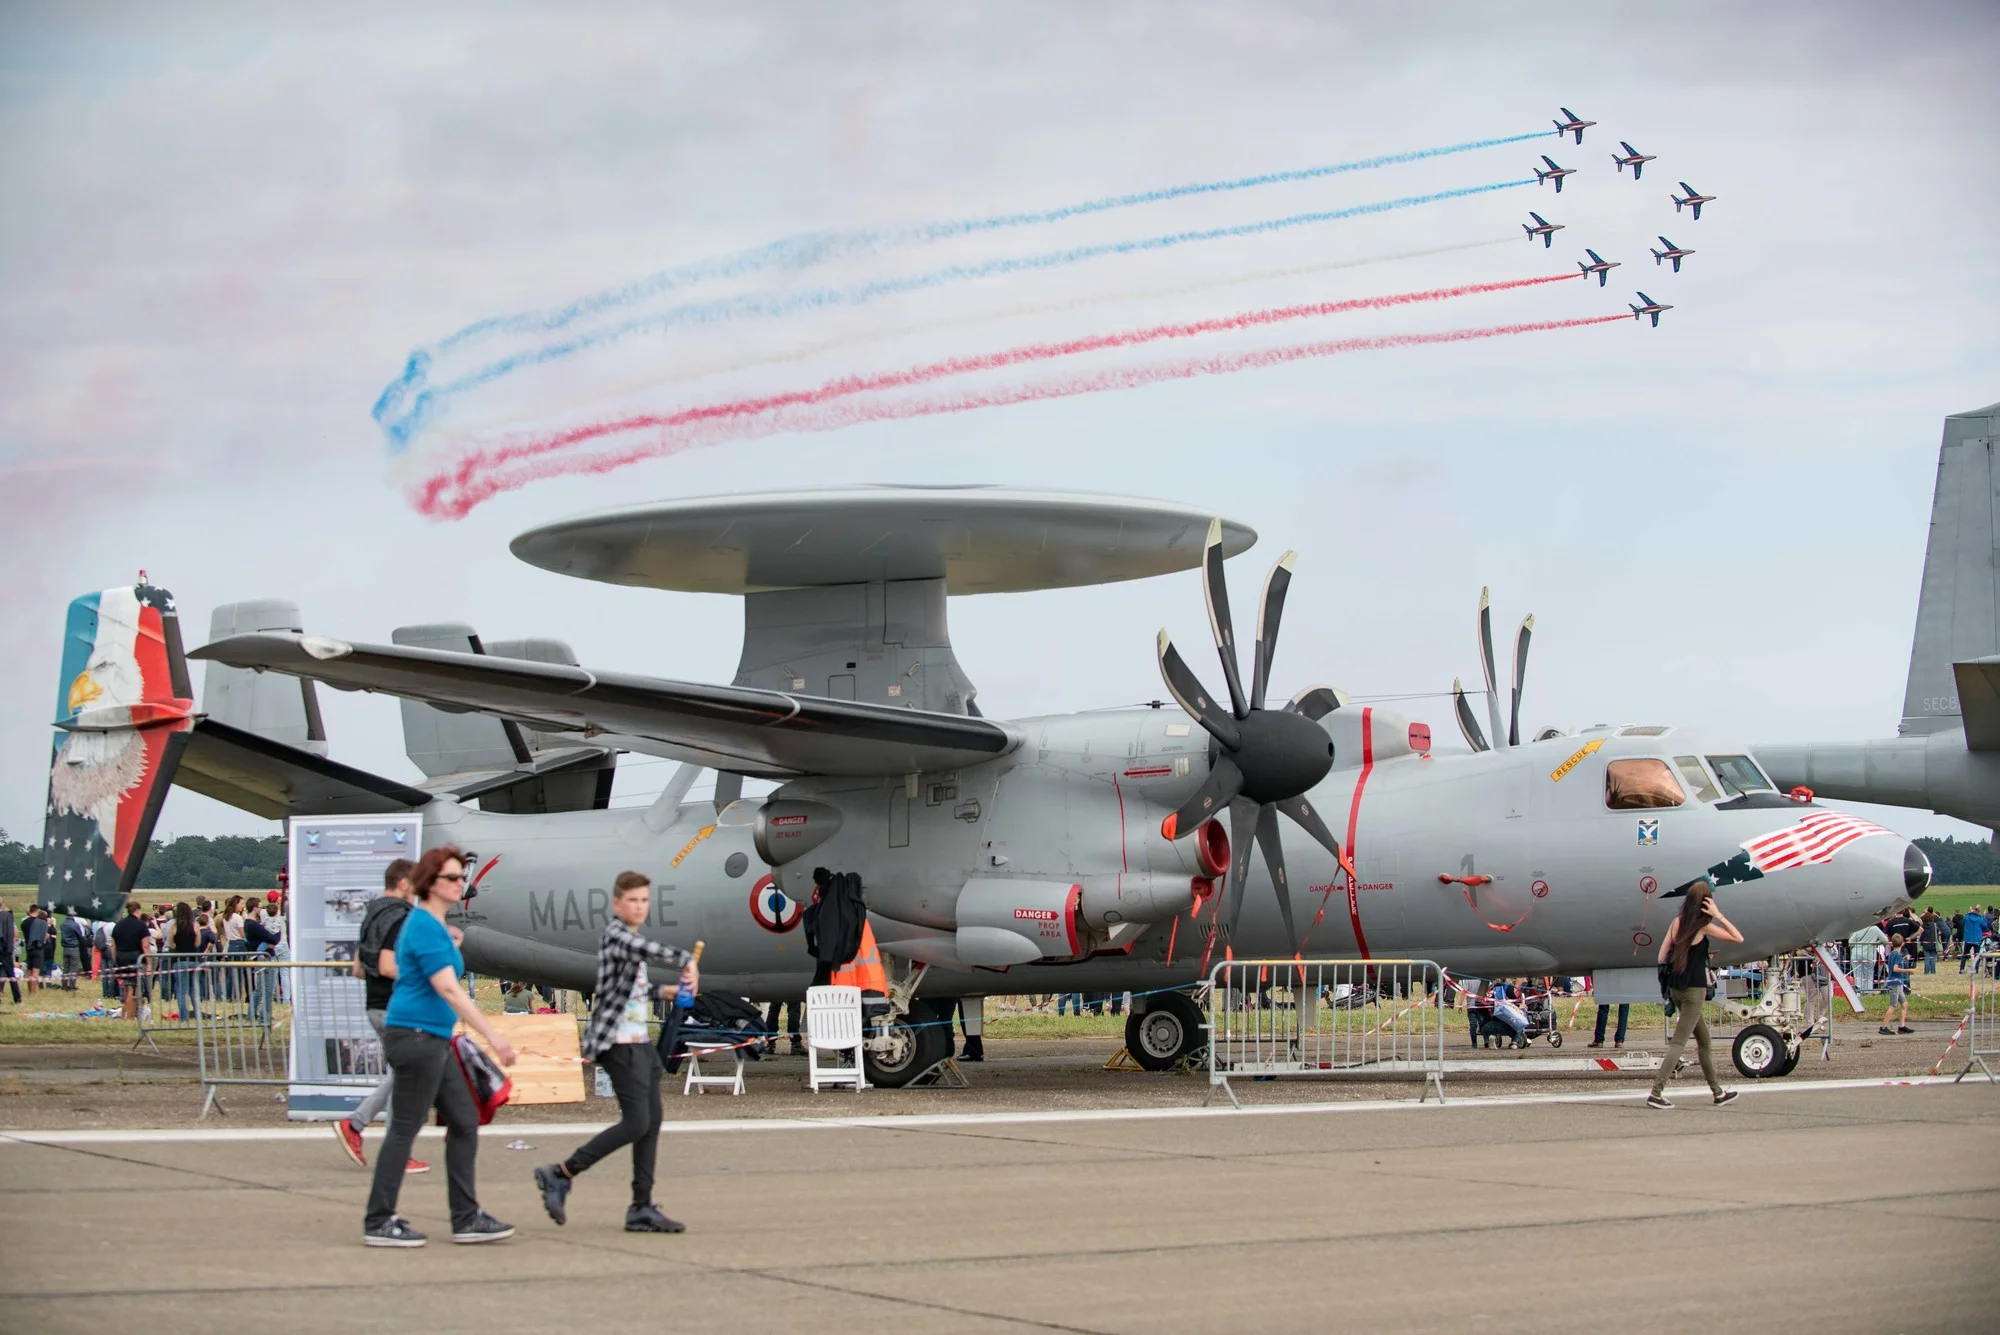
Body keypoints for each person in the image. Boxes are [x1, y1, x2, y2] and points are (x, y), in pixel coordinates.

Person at [363, 846, 516, 1248]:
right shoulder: (423, 925)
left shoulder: (432, 925)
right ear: (430, 883)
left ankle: (466, 1218)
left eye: (461, 877)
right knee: (405, 1127)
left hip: (432, 1036)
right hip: (415, 1034)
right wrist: (493, 1035)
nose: (459, 883)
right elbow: (447, 987)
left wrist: (452, 940)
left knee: (464, 1119)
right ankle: (379, 1220)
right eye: (451, 877)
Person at [535, 870, 696, 1235]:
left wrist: (665, 993)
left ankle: (641, 1206)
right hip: (617, 1044)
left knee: (651, 1122)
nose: (639, 907)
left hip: (638, 1041)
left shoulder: (629, 941)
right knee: (637, 1121)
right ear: (617, 904)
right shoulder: (618, 936)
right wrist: (686, 960)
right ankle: (560, 1173)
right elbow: (649, 951)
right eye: (632, 901)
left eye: (644, 901)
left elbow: (624, 991)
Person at [334, 859, 429, 1178]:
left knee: (404, 1074)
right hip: (396, 1007)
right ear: (403, 883)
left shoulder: (371, 914)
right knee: (410, 1075)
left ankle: (365, 1130)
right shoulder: (400, 918)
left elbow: (359, 969)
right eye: (416, 884)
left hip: (376, 1005)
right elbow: (388, 967)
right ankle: (363, 1129)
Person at [1647, 880, 1742, 1110]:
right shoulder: (1703, 926)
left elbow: (1662, 956)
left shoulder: (1676, 923)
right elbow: (1737, 938)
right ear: (1705, 904)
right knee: (1679, 1043)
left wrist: (1666, 988)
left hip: (1677, 989)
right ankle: (1656, 1092)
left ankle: (1717, 1092)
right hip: (1694, 991)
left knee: (1704, 1041)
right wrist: (1719, 915)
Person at [109, 900, 150, 1004]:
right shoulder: (141, 925)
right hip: (136, 958)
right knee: (135, 988)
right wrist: (149, 962)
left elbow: (113, 946)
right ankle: (130, 1016)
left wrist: (115, 960)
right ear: (137, 910)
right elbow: (145, 945)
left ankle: (125, 1013)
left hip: (121, 958)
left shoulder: (118, 925)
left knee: (127, 987)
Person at [1878, 936, 1915, 1035]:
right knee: (1893, 1005)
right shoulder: (1898, 955)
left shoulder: (1892, 954)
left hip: (1896, 982)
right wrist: (1908, 970)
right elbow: (1895, 969)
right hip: (1895, 983)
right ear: (1902, 944)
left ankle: (1902, 1026)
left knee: (1904, 1003)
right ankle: (1884, 1027)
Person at [1848, 919, 1888, 992]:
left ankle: (1858, 992)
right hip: (1869, 955)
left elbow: (1850, 942)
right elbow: (1885, 940)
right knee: (1869, 975)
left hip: (1856, 954)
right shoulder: (1875, 929)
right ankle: (1867, 992)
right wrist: (1876, 943)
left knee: (1857, 974)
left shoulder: (1858, 929)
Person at [21, 907, 51, 995]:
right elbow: (44, 937)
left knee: (29, 970)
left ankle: (29, 989)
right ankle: (33, 992)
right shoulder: (42, 923)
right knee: (35, 971)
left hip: (29, 948)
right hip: (38, 949)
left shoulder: (24, 922)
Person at [60, 910, 90, 991]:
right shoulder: (75, 925)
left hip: (65, 947)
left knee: (65, 967)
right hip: (73, 947)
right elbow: (79, 935)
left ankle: (64, 984)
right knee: (73, 967)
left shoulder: (62, 924)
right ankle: (72, 985)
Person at [1959, 904, 1989, 972]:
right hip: (1977, 940)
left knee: (1964, 955)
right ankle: (1976, 969)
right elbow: (1985, 926)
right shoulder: (1980, 918)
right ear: (1979, 912)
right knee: (1977, 955)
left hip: (1968, 939)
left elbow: (1962, 922)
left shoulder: (1967, 917)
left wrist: (1969, 912)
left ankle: (1961, 969)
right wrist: (1984, 916)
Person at [0, 902, 19, 1004]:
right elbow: (11, 933)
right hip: (5, 949)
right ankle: (17, 998)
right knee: (11, 975)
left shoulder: (6, 915)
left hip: (4, 948)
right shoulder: (7, 916)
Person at [1919, 908, 1944, 974]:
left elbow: (1921, 935)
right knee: (1933, 959)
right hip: (1934, 944)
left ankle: (1926, 972)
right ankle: (1933, 971)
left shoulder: (1923, 926)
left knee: (1927, 959)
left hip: (1925, 944)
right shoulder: (1934, 925)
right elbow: (1939, 932)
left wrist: (1921, 941)